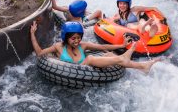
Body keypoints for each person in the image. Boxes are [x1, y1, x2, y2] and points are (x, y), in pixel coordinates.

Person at [30, 21, 160, 74]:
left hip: (87, 71)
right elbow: (40, 53)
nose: (77, 41)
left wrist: (122, 45)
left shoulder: (83, 45)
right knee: (91, 58)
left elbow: (102, 46)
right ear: (66, 37)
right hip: (71, 71)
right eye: (73, 38)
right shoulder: (58, 47)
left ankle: (143, 66)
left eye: (78, 37)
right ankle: (129, 60)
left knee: (108, 54)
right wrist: (32, 34)